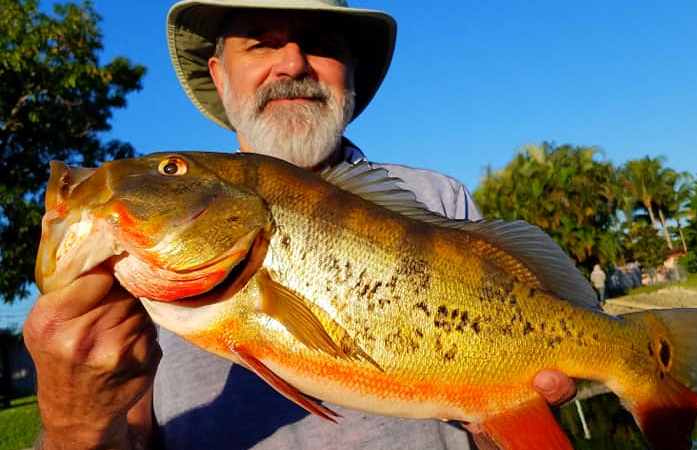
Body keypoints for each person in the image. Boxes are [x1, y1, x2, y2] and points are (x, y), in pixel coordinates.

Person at [23, 1, 577, 449]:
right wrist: (74, 423)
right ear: (219, 74)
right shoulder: (128, 265)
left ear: (350, 72)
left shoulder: (440, 200)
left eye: (321, 44)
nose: (292, 63)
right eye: (261, 43)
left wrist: (504, 421)